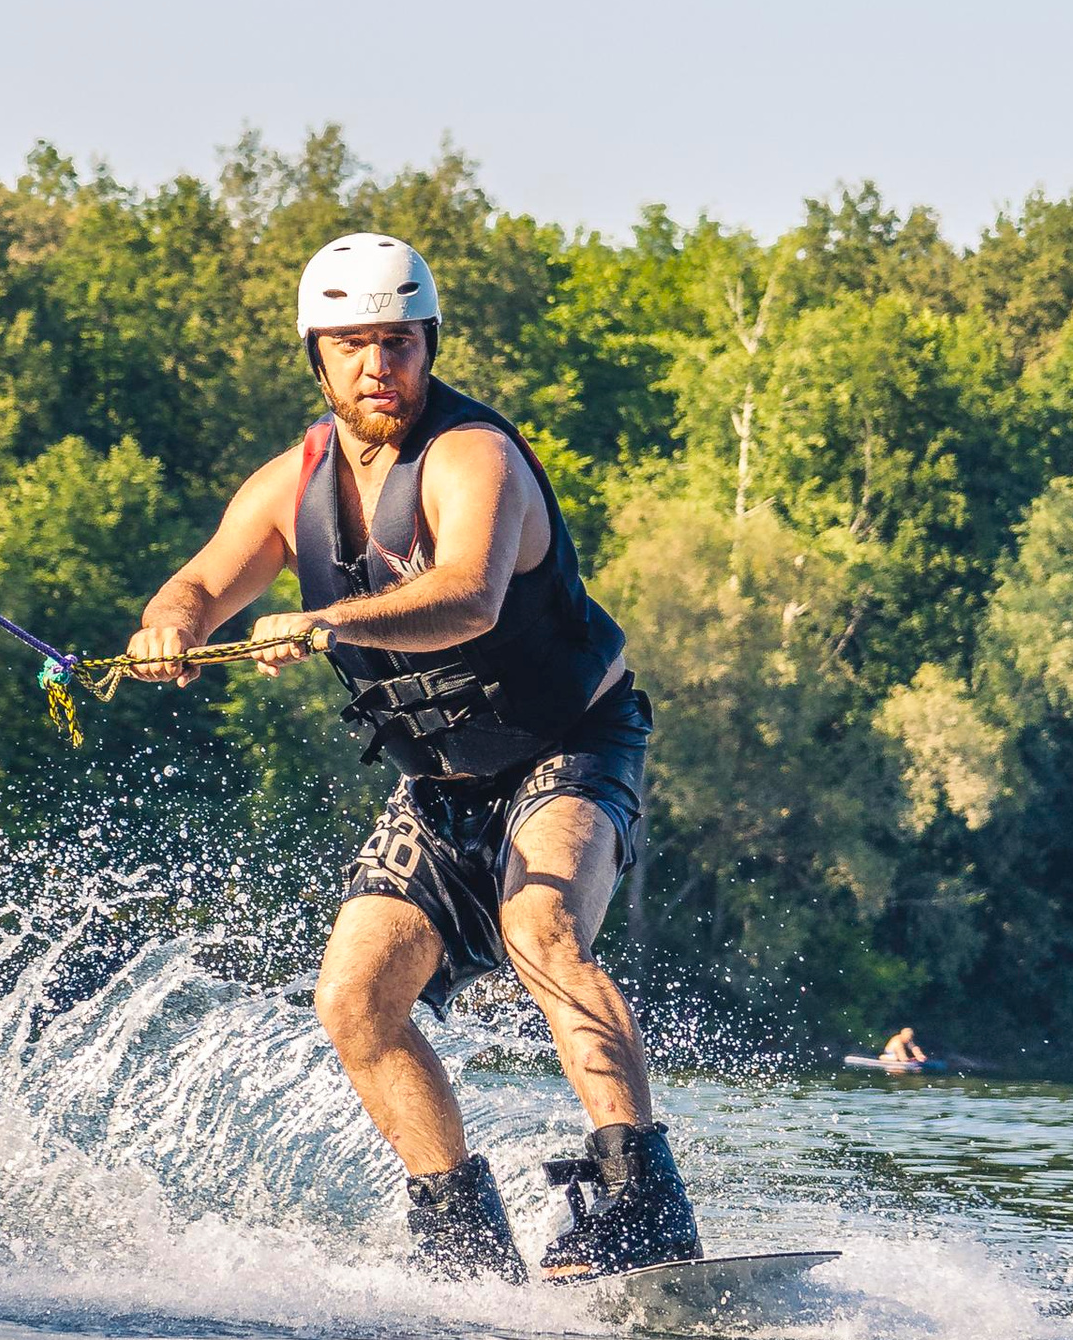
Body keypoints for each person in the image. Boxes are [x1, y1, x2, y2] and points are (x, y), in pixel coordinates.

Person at [126, 231, 700, 1280]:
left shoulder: (472, 456)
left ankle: (642, 1203)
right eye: (351, 345)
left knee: (540, 926)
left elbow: (468, 594)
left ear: (427, 346)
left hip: (569, 743)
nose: (375, 368)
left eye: (396, 342)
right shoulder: (292, 481)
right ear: (318, 355)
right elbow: (202, 584)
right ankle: (462, 1241)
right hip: (440, 784)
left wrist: (324, 622)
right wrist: (170, 625)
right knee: (353, 997)